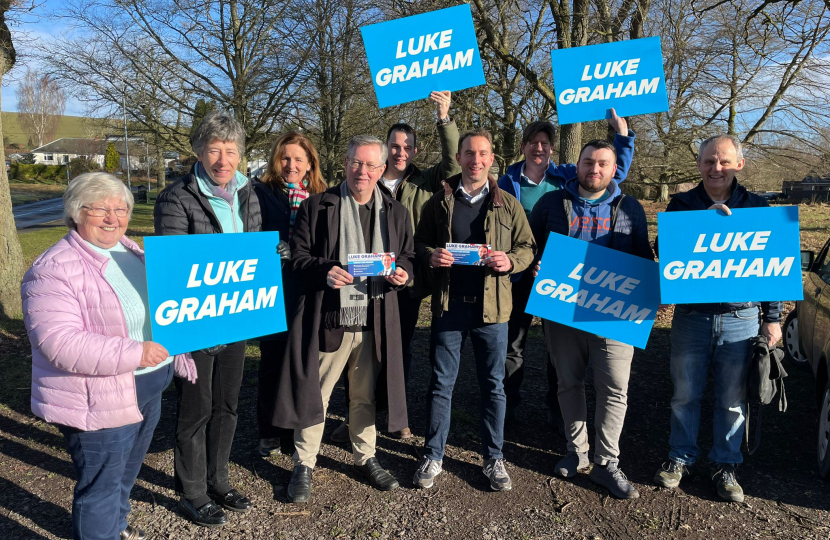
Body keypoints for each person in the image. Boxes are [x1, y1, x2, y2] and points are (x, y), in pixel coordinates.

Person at [21, 172, 198, 540]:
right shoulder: (53, 268)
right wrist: (137, 352)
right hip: (99, 394)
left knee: (126, 473)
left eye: (121, 208)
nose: (112, 217)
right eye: (100, 208)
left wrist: (178, 346)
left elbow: (164, 309)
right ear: (75, 212)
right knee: (100, 486)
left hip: (148, 385)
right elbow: (59, 343)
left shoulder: (131, 252)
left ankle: (116, 527)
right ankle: (101, 530)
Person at [272, 135, 415, 504]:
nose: (361, 172)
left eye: (370, 165)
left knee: (364, 396)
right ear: (345, 163)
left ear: (382, 169)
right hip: (330, 317)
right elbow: (298, 257)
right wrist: (325, 270)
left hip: (375, 318)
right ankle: (304, 462)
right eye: (355, 162)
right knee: (314, 393)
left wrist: (405, 274)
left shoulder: (396, 212)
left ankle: (365, 456)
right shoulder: (319, 206)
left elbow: (409, 256)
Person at [653, 134, 783, 503]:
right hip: (692, 317)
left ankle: (726, 464)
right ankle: (680, 457)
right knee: (684, 394)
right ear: (699, 165)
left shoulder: (758, 208)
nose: (716, 168)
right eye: (709, 161)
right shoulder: (681, 205)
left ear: (739, 164)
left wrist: (771, 318)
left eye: (724, 161)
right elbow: (664, 250)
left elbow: (771, 269)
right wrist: (701, 225)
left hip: (742, 317)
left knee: (732, 398)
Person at [331, 90, 460, 442]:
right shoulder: (366, 176)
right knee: (356, 348)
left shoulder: (426, 181)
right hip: (358, 280)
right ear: (385, 148)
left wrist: (444, 118)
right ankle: (356, 414)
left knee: (396, 348)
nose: (400, 153)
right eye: (395, 146)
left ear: (415, 151)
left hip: (403, 280)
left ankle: (395, 415)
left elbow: (454, 164)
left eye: (407, 148)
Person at [154, 110, 262, 527]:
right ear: (198, 151)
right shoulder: (176, 197)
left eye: (231, 151)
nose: (223, 159)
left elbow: (253, 247)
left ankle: (219, 479)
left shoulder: (248, 193)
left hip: (237, 318)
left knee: (228, 405)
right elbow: (176, 265)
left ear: (240, 155)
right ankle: (192, 490)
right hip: (196, 321)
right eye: (214, 149)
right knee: (195, 409)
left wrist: (271, 257)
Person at [529, 139, 653, 500]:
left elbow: (643, 256)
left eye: (602, 164)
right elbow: (531, 246)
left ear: (615, 169)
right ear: (576, 165)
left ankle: (606, 462)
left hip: (614, 313)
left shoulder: (630, 207)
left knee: (614, 387)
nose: (594, 170)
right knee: (568, 382)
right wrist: (535, 265)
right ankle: (577, 451)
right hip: (562, 309)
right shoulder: (551, 203)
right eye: (587, 162)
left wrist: (653, 285)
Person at [413, 128, 536, 491]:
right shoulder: (438, 201)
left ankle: (494, 458)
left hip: (493, 310)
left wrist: (511, 261)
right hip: (449, 307)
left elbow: (527, 246)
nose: (475, 160)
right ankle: (433, 454)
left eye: (483, 153)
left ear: (492, 158)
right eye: (469, 153)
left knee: (493, 386)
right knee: (441, 385)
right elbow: (420, 243)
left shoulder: (508, 203)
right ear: (460, 157)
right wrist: (430, 256)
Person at [497, 110, 635, 424]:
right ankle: (507, 403)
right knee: (512, 341)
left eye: (545, 143)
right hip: (520, 273)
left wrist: (622, 134)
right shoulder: (506, 182)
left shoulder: (566, 176)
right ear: (523, 147)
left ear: (552, 149)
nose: (539, 148)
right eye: (533, 142)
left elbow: (613, 171)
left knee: (557, 348)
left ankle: (559, 409)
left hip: (558, 273)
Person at [253, 131, 327, 458]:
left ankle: (294, 428)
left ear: (310, 163)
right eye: (285, 158)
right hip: (273, 289)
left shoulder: (322, 196)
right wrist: (270, 247)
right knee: (272, 361)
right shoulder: (260, 192)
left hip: (307, 289)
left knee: (300, 361)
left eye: (298, 159)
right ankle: (269, 430)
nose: (291, 165)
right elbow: (250, 235)